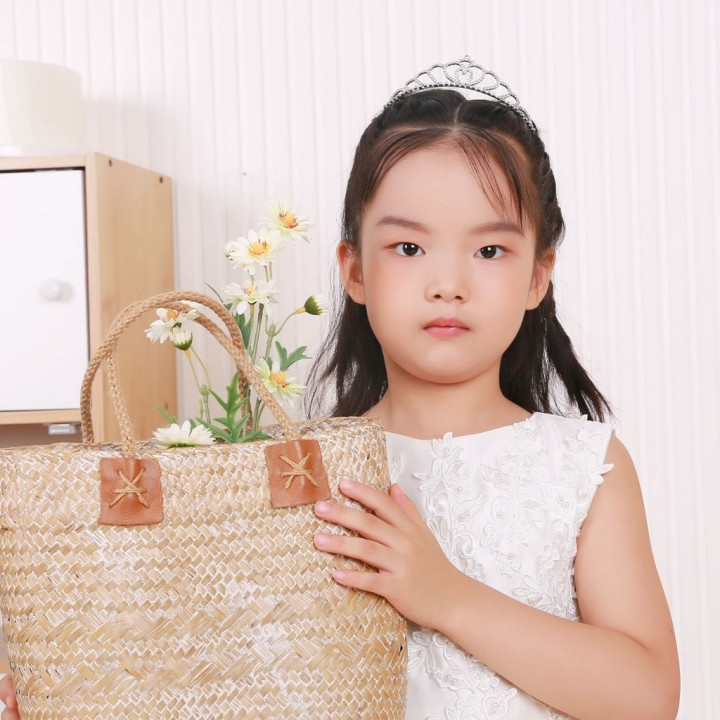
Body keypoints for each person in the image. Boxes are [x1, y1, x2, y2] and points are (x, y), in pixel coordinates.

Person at [0, 58, 680, 720]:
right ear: (354, 270)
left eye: (489, 250)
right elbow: (229, 674)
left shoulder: (583, 465)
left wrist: (446, 597)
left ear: (538, 276)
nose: (448, 283)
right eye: (409, 248)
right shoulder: (299, 473)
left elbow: (649, 698)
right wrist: (73, 691)